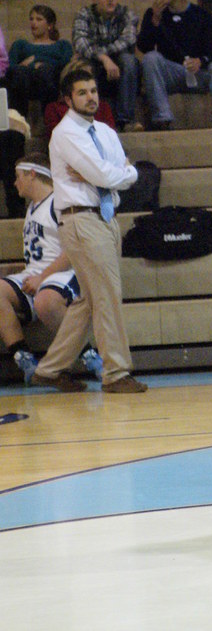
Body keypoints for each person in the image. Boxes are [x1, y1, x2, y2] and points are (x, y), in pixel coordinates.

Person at [30, 65, 147, 393]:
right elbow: (109, 176)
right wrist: (117, 174)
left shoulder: (106, 132)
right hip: (81, 219)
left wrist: (121, 173)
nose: (90, 97)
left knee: (89, 300)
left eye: (93, 91)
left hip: (107, 218)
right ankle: (116, 373)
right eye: (82, 92)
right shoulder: (66, 133)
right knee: (107, 295)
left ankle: (50, 370)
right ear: (68, 99)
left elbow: (121, 173)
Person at [0, 152, 102, 386]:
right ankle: (26, 361)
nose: (14, 183)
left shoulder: (60, 202)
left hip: (66, 272)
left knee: (45, 301)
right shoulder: (33, 207)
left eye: (18, 176)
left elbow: (74, 249)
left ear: (32, 174)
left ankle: (89, 356)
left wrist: (42, 277)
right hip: (37, 274)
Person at [137, 0, 212, 147]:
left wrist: (201, 61)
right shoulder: (153, 15)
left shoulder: (201, 15)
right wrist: (155, 21)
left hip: (198, 72)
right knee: (152, 58)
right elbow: (144, 47)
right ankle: (163, 119)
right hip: (172, 72)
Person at [71, 0, 142, 131]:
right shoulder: (84, 14)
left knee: (129, 61)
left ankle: (126, 120)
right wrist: (103, 58)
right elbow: (80, 42)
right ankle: (93, 120)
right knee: (83, 67)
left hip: (119, 63)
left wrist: (103, 55)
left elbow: (127, 40)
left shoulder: (127, 14)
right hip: (94, 62)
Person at [4, 5, 72, 118]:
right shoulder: (21, 44)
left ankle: (49, 117)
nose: (33, 23)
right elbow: (11, 68)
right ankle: (19, 119)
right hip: (25, 81)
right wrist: (31, 65)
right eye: (31, 19)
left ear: (50, 25)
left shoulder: (62, 45)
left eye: (39, 19)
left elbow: (65, 64)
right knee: (20, 72)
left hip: (50, 80)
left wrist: (37, 62)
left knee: (45, 70)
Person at [44, 58, 116, 140]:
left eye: (89, 76)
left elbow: (111, 138)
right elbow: (58, 139)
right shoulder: (54, 109)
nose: (87, 81)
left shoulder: (103, 107)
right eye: (81, 77)